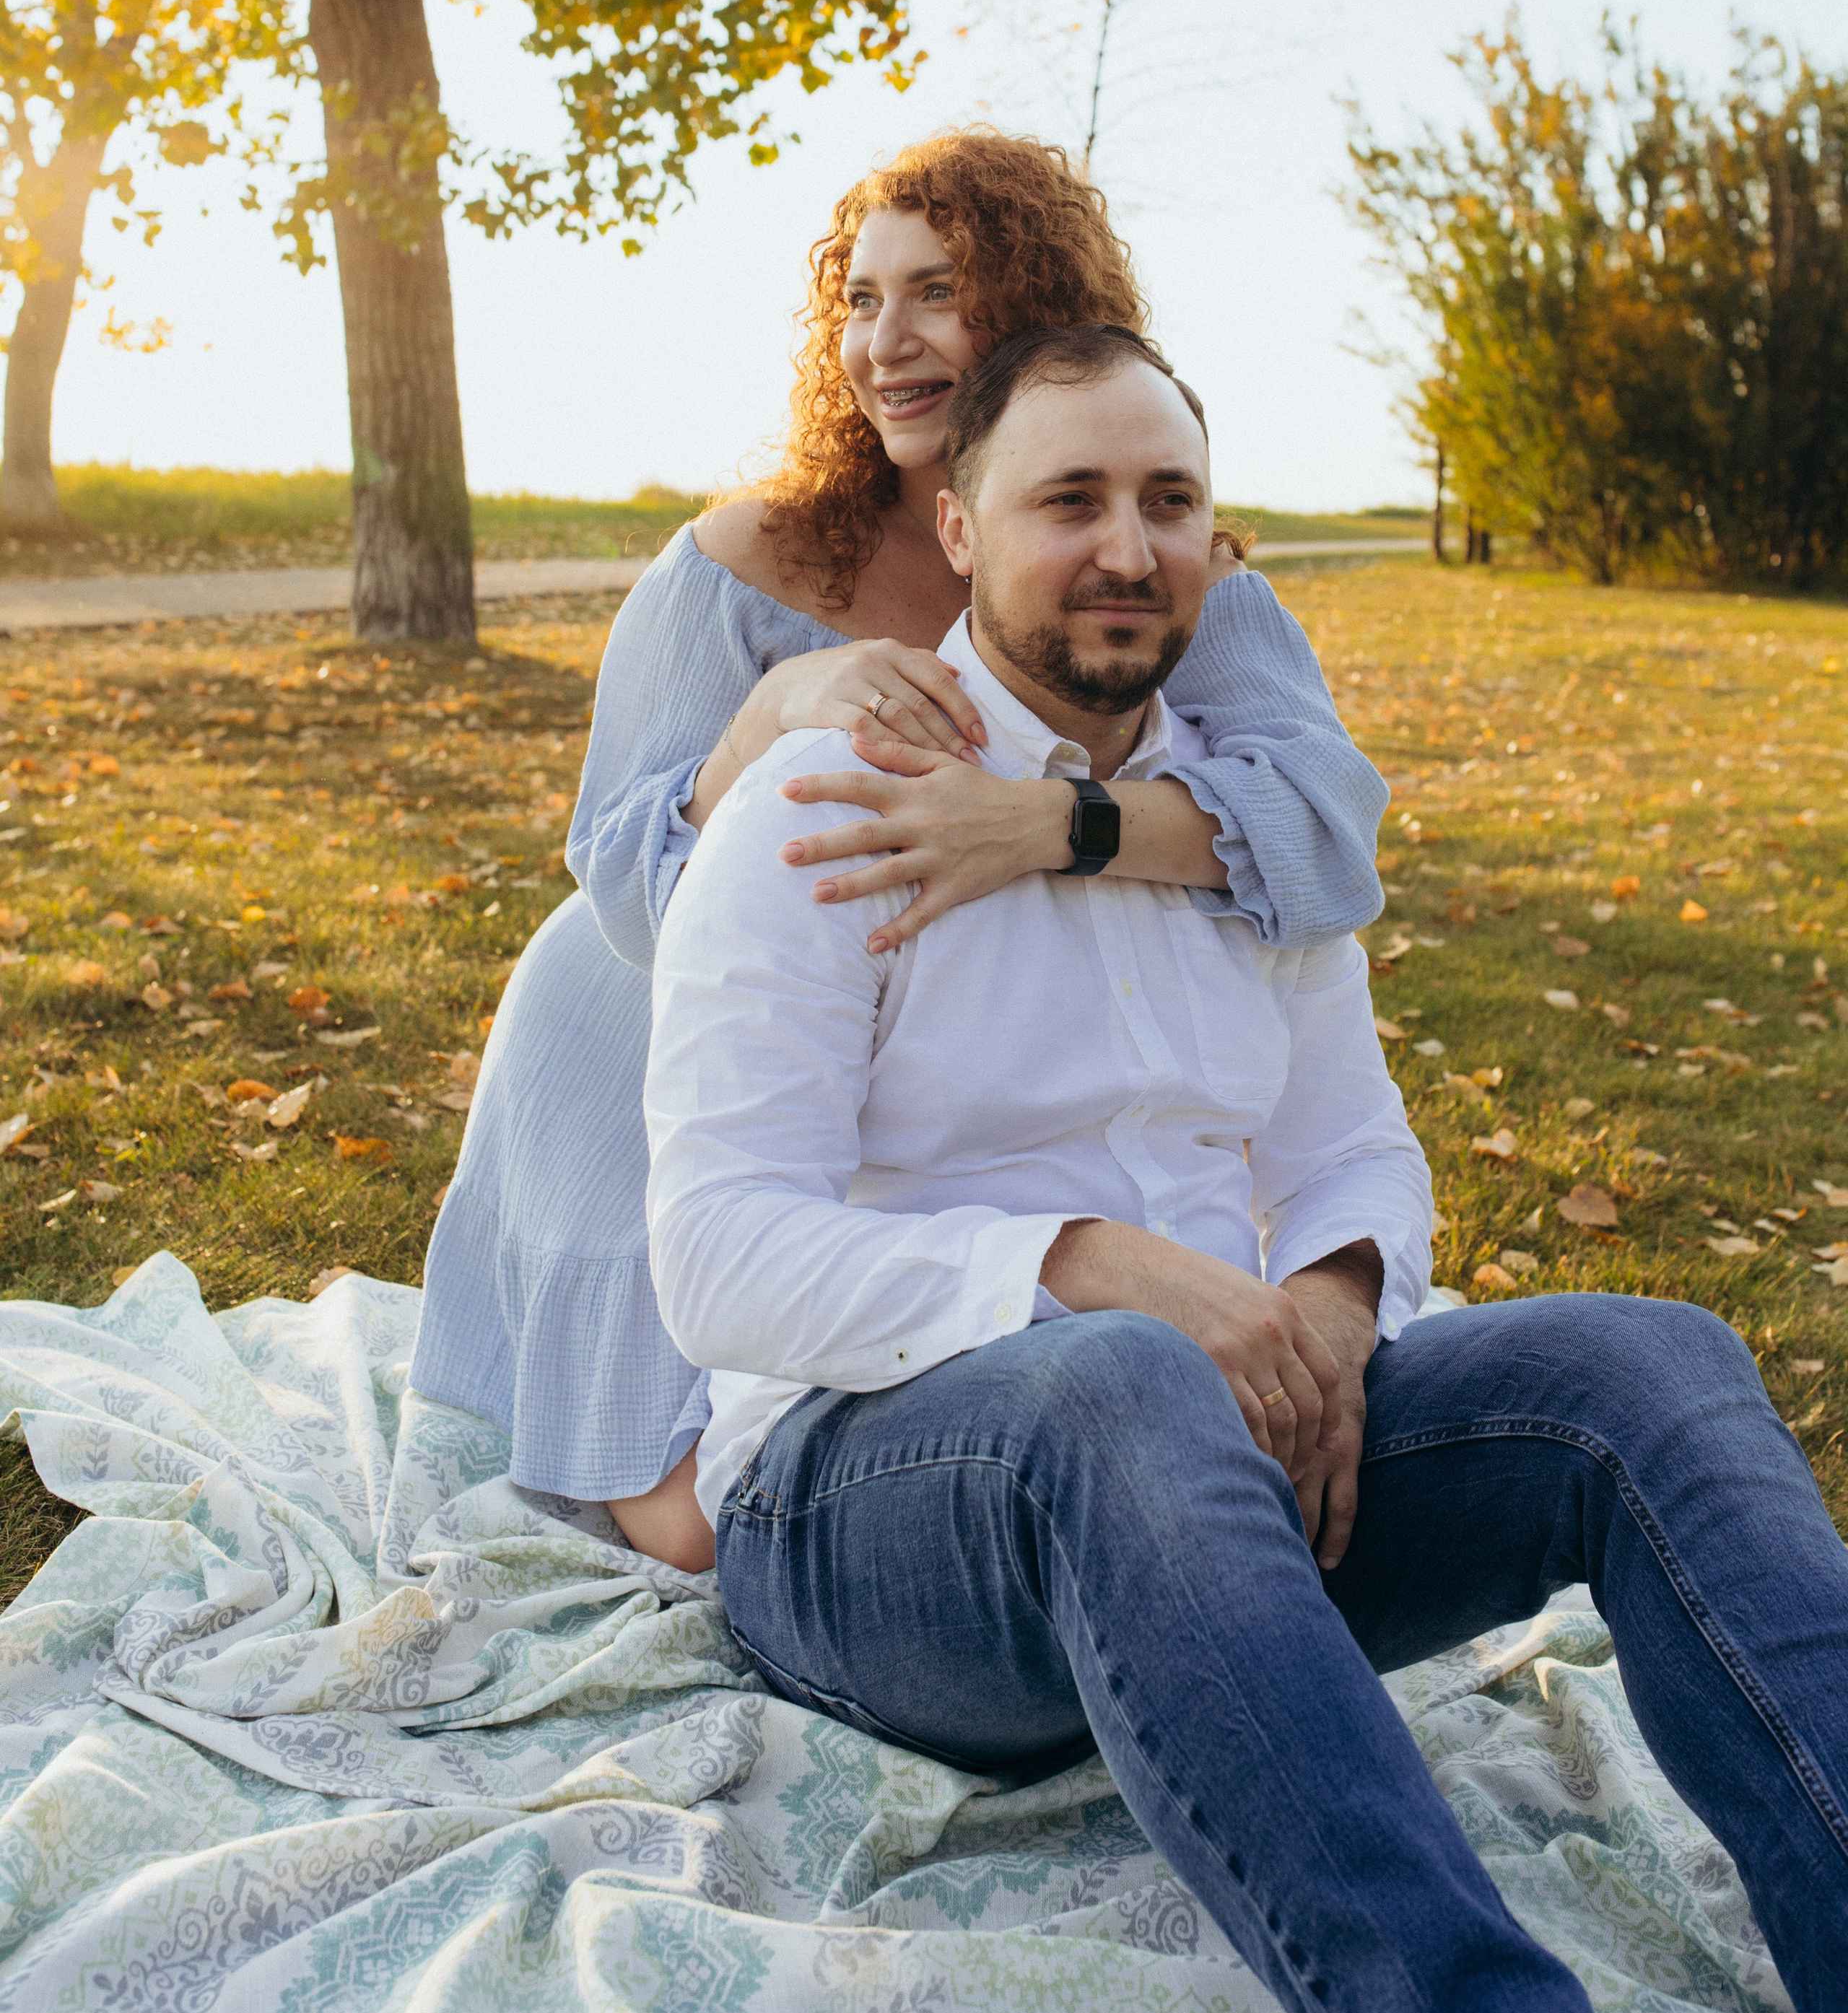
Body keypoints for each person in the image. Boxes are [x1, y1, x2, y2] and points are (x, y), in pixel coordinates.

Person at [643, 323, 1848, 2013]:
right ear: (961, 528)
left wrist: (1332, 1319)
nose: (1127, 548)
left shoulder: (1238, 832)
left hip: (1224, 1486)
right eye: (1069, 499)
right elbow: (717, 1258)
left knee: (1649, 1366)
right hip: (863, 1513)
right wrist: (1092, 1267)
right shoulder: (819, 812)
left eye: (1168, 501)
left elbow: (1350, 1149)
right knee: (1122, 1380)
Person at [412, 131, 1388, 1573]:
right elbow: (616, 868)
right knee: (689, 1529)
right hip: (642, 1007)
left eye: (936, 291)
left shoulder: (1160, 575)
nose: (888, 341)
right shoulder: (740, 564)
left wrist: (1047, 828)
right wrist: (769, 715)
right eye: (860, 301)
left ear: (1039, 305)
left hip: (935, 1018)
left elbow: (1323, 836)